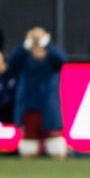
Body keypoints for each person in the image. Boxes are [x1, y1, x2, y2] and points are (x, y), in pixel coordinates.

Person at [7, 27, 68, 159]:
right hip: (29, 105)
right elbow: (11, 62)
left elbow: (62, 59)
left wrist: (45, 43)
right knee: (28, 149)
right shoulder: (24, 57)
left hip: (48, 105)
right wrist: (26, 45)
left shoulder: (51, 58)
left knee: (56, 149)